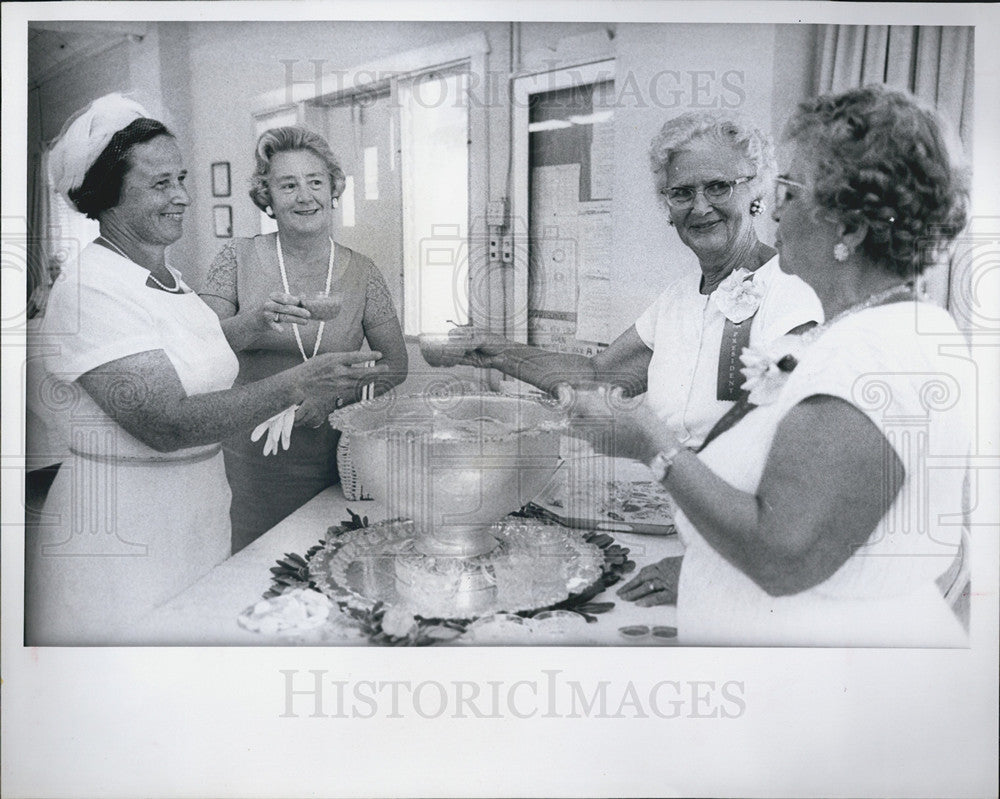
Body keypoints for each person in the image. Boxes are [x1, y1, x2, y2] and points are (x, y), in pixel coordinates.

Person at [569, 85, 971, 646]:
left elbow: (783, 556)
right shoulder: (865, 331)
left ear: (850, 227)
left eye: (791, 189)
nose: (775, 207)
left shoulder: (873, 355)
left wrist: (650, 442)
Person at [26, 95, 386, 645]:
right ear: (107, 194)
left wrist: (254, 322)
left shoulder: (166, 277)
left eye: (182, 179)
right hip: (124, 537)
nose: (182, 198)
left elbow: (195, 347)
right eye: (160, 184)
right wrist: (296, 382)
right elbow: (165, 422)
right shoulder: (91, 288)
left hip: (195, 517)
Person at [426, 110, 823, 450]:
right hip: (675, 511)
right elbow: (599, 379)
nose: (700, 207)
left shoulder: (792, 293)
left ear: (756, 191)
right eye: (682, 193)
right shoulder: (678, 299)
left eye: (718, 186)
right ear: (667, 207)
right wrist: (493, 348)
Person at [199, 126, 407, 552]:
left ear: (333, 189)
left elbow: (395, 363)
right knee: (258, 566)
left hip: (337, 456)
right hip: (250, 456)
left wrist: (332, 400)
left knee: (330, 559)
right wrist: (255, 322)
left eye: (315, 182)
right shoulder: (236, 258)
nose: (304, 196)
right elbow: (200, 346)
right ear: (268, 197)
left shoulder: (363, 272)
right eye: (287, 185)